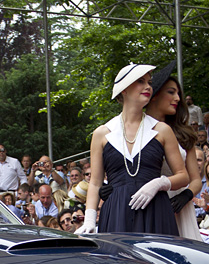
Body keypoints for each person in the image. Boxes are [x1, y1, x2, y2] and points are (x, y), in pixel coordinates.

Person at [75, 63, 188, 235]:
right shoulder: (102, 133)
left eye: (149, 82)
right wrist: (90, 218)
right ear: (124, 89)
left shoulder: (162, 130)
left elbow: (183, 175)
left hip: (156, 210)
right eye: (141, 81)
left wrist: (160, 183)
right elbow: (95, 182)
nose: (148, 87)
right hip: (117, 213)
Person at [146, 65, 202, 239]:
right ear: (154, 95)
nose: (177, 98)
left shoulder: (184, 134)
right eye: (171, 92)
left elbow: (195, 180)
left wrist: (186, 195)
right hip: (149, 203)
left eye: (178, 93)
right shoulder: (137, 132)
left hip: (179, 205)